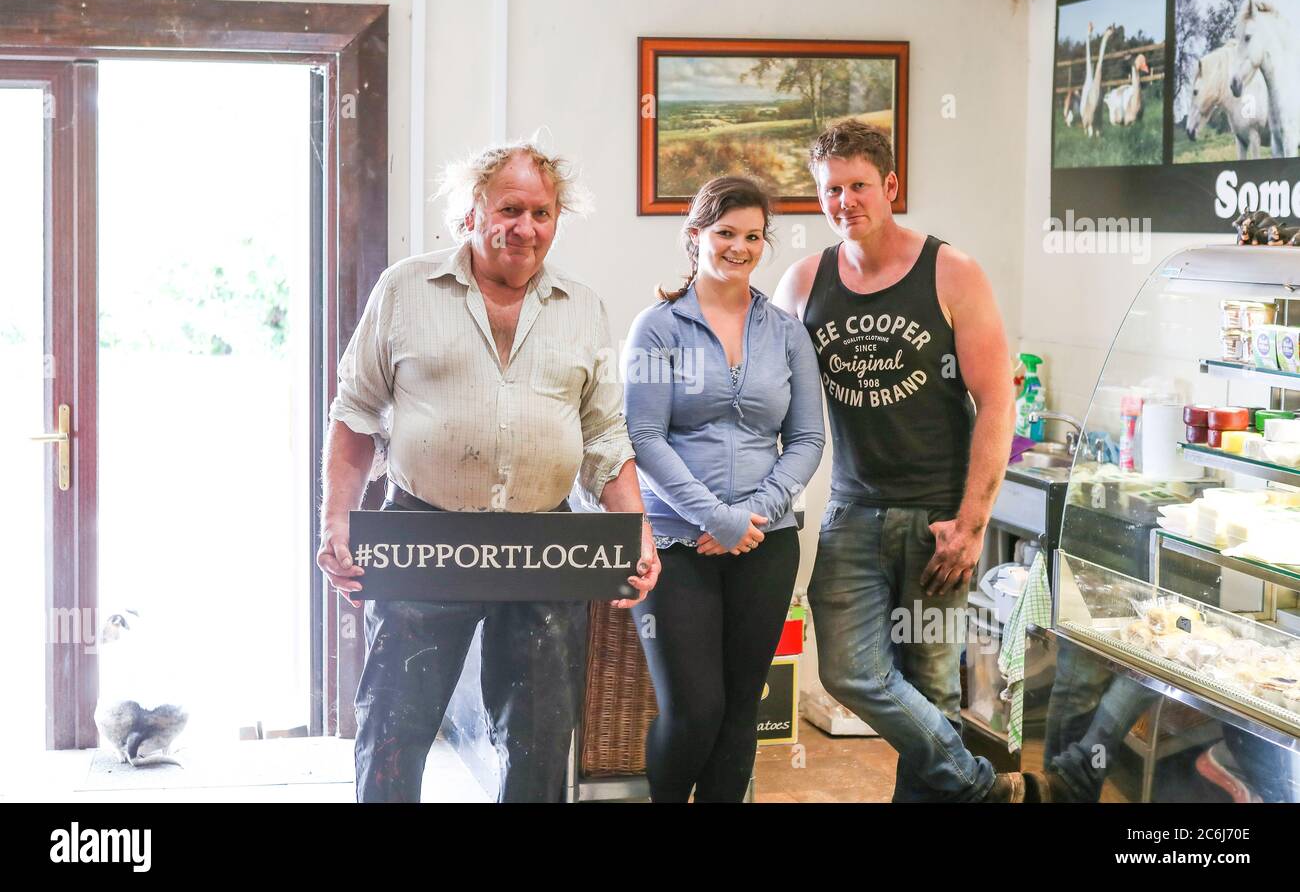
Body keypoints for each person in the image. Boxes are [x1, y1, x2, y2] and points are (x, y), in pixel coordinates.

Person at [316, 139, 661, 803]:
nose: (525, 228)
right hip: (424, 535)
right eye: (509, 209)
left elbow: (604, 435)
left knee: (539, 737)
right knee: (394, 727)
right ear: (471, 214)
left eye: (541, 213)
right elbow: (355, 413)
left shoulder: (582, 307)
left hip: (545, 546)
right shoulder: (405, 290)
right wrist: (336, 519)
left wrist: (636, 529)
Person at [773, 120, 1036, 802]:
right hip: (852, 513)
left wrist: (973, 522)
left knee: (931, 686)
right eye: (832, 189)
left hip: (938, 519)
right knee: (849, 672)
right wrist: (683, 306)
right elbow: (754, 370)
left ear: (890, 186)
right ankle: (982, 787)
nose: (845, 201)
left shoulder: (951, 272)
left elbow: (997, 401)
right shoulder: (803, 283)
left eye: (859, 185)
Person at [624, 176, 824, 802]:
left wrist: (750, 517)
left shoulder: (786, 332)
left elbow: (809, 439)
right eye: (725, 233)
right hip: (676, 545)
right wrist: (715, 518)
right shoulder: (657, 328)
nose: (739, 247)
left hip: (767, 542)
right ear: (695, 236)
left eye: (753, 236)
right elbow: (645, 438)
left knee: (742, 712)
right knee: (695, 711)